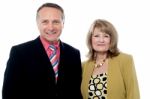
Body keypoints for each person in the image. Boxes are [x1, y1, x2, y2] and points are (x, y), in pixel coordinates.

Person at [2, 3, 82, 99]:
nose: (51, 27)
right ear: (37, 24)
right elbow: (9, 94)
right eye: (45, 22)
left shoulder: (73, 54)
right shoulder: (19, 53)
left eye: (56, 22)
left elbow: (76, 92)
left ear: (63, 24)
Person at [81, 19, 140, 99]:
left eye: (106, 36)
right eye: (96, 36)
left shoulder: (125, 60)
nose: (101, 40)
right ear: (90, 39)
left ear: (111, 39)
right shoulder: (84, 66)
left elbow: (133, 94)